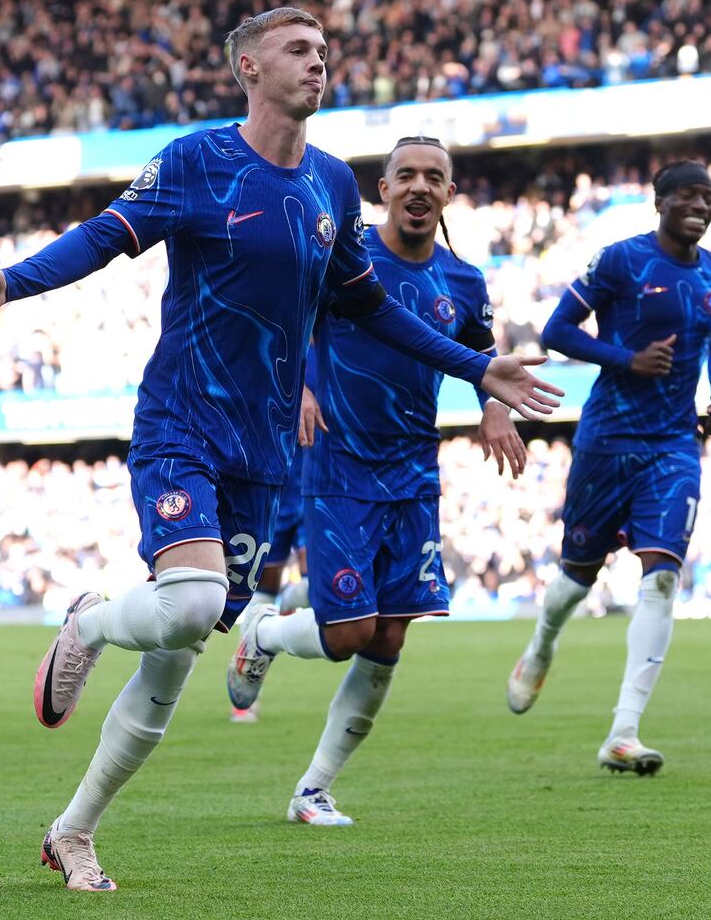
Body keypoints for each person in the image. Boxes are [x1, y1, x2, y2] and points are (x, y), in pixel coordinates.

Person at [0, 7, 562, 891]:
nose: (319, 63)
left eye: (323, 51)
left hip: (265, 456)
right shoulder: (199, 161)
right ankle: (86, 620)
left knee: (177, 657)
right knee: (191, 605)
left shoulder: (335, 186)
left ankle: (74, 831)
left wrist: (476, 366)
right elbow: (107, 236)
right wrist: (16, 280)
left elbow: (368, 303)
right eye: (299, 50)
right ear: (247, 65)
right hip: (183, 423)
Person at [225, 135, 528, 825]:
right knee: (349, 634)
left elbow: (482, 356)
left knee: (391, 638)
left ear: (450, 194)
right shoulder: (347, 260)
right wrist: (301, 385)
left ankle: (314, 789)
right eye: (407, 175)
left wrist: (492, 408)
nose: (420, 187)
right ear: (383, 189)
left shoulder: (464, 282)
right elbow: (290, 321)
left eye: (435, 177)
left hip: (415, 471)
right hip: (339, 465)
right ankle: (266, 634)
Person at [505, 160, 711, 776]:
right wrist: (626, 359)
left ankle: (624, 731)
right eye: (687, 196)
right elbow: (559, 331)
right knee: (576, 578)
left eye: (707, 198)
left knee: (663, 576)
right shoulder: (620, 261)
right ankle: (543, 641)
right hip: (607, 440)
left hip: (673, 444)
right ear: (659, 202)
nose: (699, 206)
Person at [229, 452, 310, 724]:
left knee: (317, 583)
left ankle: (290, 599)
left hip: (317, 490)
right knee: (263, 589)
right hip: (274, 490)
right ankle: (247, 680)